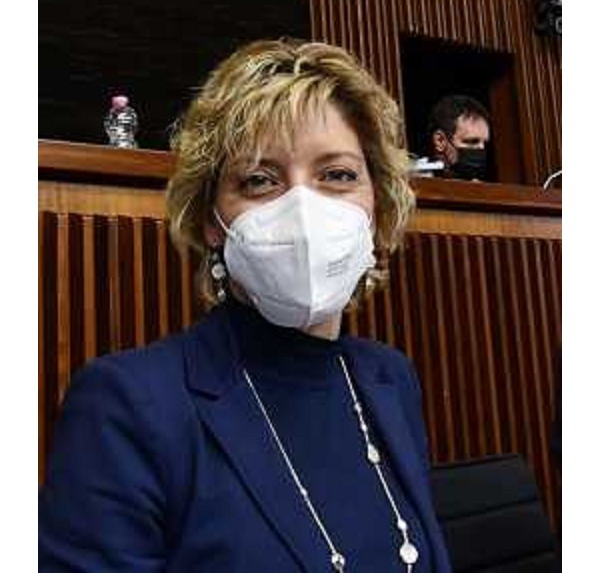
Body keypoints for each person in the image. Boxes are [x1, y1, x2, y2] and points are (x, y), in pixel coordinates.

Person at [39, 39, 451, 572]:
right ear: (212, 221)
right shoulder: (128, 407)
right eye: (259, 180)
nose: (303, 209)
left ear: (378, 202)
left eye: (338, 175)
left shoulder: (389, 379)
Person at [427, 94, 491, 180]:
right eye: (472, 141)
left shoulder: (481, 187)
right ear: (440, 140)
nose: (481, 148)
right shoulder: (416, 184)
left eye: (484, 143)